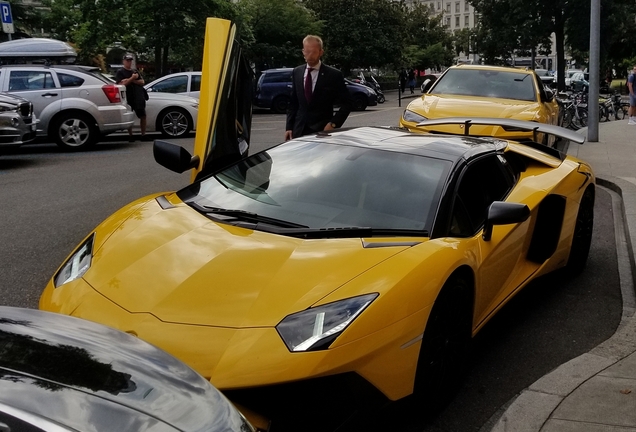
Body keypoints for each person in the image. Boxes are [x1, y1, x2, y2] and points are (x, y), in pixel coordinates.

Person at [285, 35, 352, 140]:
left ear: (321, 52)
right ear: (303, 51)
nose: (310, 56)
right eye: (307, 52)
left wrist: (333, 124)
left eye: (313, 52)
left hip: (322, 131)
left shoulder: (333, 75)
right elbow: (293, 103)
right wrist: (289, 127)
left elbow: (347, 103)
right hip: (299, 130)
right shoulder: (297, 72)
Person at [115, 53, 148, 140]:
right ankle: (130, 135)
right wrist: (132, 78)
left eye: (130, 61)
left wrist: (132, 80)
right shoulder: (120, 72)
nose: (129, 62)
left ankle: (143, 135)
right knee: (129, 116)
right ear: (123, 61)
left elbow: (142, 82)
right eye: (127, 61)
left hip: (138, 97)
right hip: (127, 97)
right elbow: (121, 84)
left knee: (143, 115)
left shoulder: (135, 71)